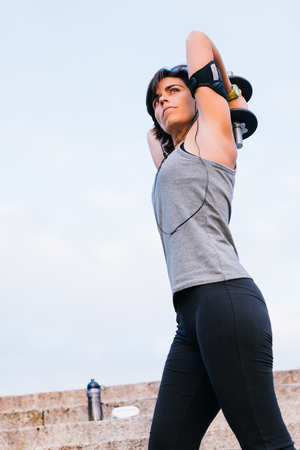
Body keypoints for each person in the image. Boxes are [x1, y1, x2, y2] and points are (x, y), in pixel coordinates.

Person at [145, 31, 295, 450]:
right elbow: (151, 138)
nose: (163, 102)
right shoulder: (170, 159)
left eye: (174, 90)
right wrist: (171, 106)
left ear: (199, 96)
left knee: (264, 442)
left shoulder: (212, 138)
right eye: (157, 99)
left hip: (224, 299)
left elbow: (198, 39)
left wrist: (229, 97)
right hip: (189, 318)